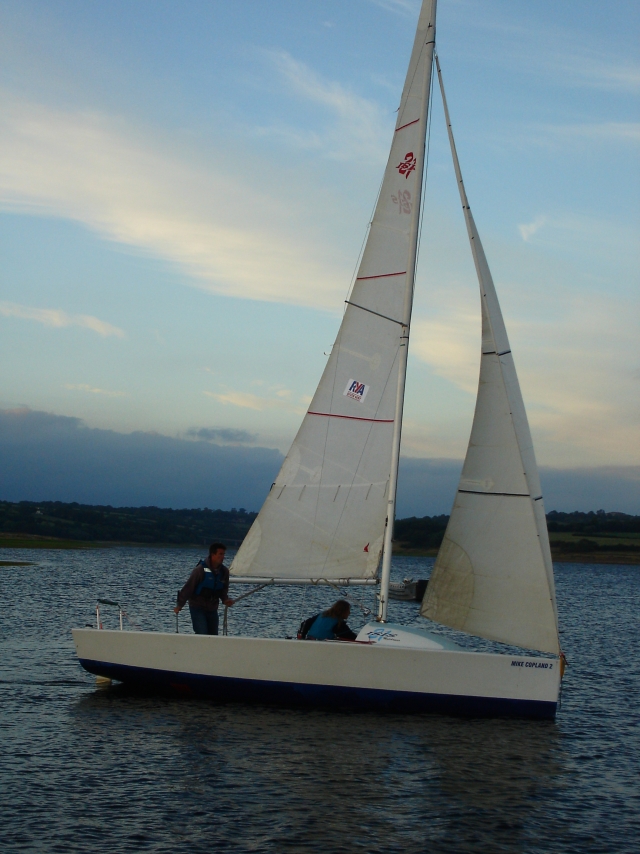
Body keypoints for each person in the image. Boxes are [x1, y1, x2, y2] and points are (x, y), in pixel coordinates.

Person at [174, 542, 234, 635]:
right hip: (197, 606)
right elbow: (188, 588)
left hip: (212, 608)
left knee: (213, 635)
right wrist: (179, 605)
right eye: (220, 554)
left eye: (223, 554)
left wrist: (225, 600)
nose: (223, 557)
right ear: (213, 555)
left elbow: (223, 590)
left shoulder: (224, 572)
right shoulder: (199, 570)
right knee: (202, 632)